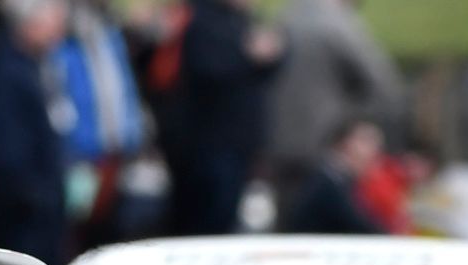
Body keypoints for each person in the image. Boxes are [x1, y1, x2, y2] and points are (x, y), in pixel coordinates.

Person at [265, 0, 401, 213]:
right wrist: (356, 121)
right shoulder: (338, 24)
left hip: (277, 143)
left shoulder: (285, 18)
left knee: (289, 218)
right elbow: (382, 84)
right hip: (324, 143)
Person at [163, 0, 283, 235]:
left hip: (237, 143)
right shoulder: (201, 18)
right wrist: (248, 56)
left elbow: (263, 69)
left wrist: (271, 54)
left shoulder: (243, 20)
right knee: (205, 221)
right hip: (208, 144)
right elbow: (207, 70)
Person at [0, 0, 70, 265]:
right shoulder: (10, 72)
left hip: (41, 203)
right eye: (51, 25)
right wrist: (36, 196)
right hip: (27, 212)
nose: (57, 34)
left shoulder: (37, 65)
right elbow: (8, 148)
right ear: (30, 25)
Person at [58, 0, 146, 250]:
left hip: (114, 149)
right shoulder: (65, 42)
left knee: (109, 230)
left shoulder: (109, 35)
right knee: (77, 229)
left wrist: (133, 132)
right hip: (82, 155)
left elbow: (123, 89)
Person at [279, 117, 385, 234]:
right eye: (366, 141)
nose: (374, 150)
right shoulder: (327, 183)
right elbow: (361, 227)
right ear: (343, 143)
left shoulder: (339, 181)